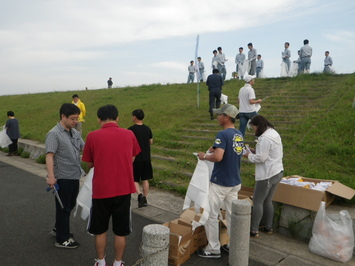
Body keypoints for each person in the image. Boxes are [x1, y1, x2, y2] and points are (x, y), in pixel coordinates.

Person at [82, 104, 141, 266]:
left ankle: (101, 261)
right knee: (121, 231)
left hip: (101, 190)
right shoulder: (129, 134)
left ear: (99, 119)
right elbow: (132, 157)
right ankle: (118, 262)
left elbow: (89, 162)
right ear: (117, 118)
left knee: (100, 229)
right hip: (123, 189)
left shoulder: (92, 136)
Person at [196, 104, 243, 258]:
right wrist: (215, 148)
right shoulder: (238, 134)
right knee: (232, 216)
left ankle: (213, 248)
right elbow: (229, 151)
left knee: (211, 214)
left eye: (219, 115)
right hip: (235, 181)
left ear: (226, 117)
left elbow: (218, 157)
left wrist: (204, 156)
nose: (217, 117)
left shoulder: (222, 134)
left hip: (221, 182)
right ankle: (233, 245)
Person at [45, 103, 85, 248]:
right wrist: (51, 176)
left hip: (75, 174)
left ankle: (58, 228)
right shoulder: (54, 134)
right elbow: (49, 156)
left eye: (77, 119)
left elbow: (83, 147)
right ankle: (62, 239)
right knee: (64, 208)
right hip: (63, 176)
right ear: (63, 116)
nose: (76, 122)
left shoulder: (74, 133)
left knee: (70, 204)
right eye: (73, 119)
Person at [243, 115, 283, 238]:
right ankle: (268, 226)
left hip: (267, 174)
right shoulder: (273, 133)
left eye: (254, 128)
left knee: (258, 201)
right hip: (277, 171)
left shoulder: (265, 138)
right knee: (267, 201)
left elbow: (261, 158)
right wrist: (254, 151)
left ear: (258, 126)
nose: (254, 130)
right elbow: (267, 153)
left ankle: (254, 230)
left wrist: (248, 155)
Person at [128, 109, 153, 208]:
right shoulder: (147, 128)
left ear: (134, 117)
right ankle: (145, 198)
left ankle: (139, 195)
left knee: (135, 179)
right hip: (146, 157)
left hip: (136, 158)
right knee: (145, 179)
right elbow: (151, 141)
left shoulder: (131, 130)